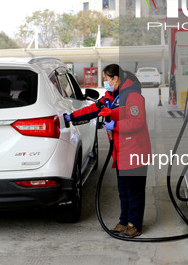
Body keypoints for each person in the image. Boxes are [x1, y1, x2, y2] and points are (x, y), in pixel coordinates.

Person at [64, 64, 151, 238]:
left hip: (135, 151)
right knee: (123, 190)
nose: (105, 83)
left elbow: (137, 122)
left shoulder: (133, 96)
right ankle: (123, 221)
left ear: (115, 78)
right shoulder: (109, 97)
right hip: (120, 152)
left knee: (134, 191)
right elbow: (93, 109)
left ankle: (134, 225)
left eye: (105, 79)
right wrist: (71, 117)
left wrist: (115, 125)